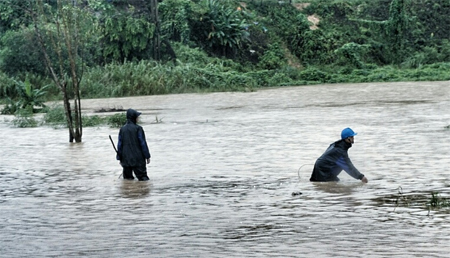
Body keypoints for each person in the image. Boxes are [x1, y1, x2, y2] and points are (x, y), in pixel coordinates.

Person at [116, 109, 151, 181]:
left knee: (127, 180)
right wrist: (147, 156)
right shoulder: (138, 128)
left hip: (125, 159)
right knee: (143, 180)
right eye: (137, 117)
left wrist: (119, 157)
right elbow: (143, 143)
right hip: (138, 159)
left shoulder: (122, 129)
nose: (138, 118)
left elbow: (120, 145)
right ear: (133, 117)